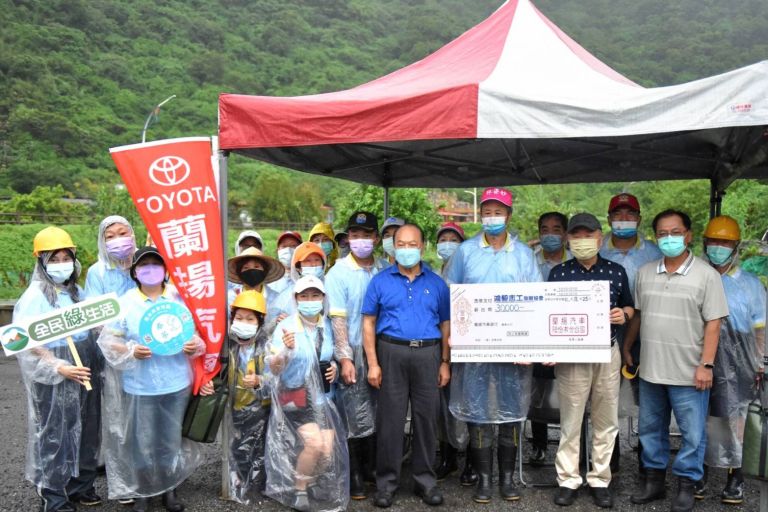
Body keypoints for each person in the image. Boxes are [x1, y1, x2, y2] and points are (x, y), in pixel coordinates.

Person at [444, 187, 542, 503]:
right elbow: (450, 294)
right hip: (475, 349)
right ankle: (484, 480)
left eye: (498, 212)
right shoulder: (466, 251)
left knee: (512, 411)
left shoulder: (524, 255)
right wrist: (452, 334)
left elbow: (538, 302)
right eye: (486, 211)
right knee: (478, 411)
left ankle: (508, 479)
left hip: (515, 351)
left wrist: (532, 346)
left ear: (509, 215)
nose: (492, 217)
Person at [628, 210, 729, 512]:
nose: (668, 238)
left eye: (675, 232)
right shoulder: (645, 272)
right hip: (651, 370)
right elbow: (639, 315)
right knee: (649, 429)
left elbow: (714, 323)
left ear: (688, 235)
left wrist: (706, 365)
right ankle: (654, 482)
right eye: (662, 233)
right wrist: (628, 347)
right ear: (655, 237)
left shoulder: (706, 275)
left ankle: (687, 484)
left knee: (692, 433)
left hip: (690, 373)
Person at [97, 247, 206, 512]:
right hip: (140, 386)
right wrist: (130, 350)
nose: (150, 270)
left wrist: (195, 345)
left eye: (155, 265)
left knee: (170, 440)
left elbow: (200, 335)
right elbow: (108, 340)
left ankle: (170, 491)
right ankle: (144, 493)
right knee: (142, 442)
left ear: (166, 270)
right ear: (134, 272)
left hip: (176, 382)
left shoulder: (180, 299)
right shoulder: (125, 303)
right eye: (143, 265)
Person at [547, 213, 634, 508]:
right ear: (568, 240)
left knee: (605, 419)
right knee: (570, 420)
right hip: (571, 355)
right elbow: (548, 317)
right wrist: (549, 349)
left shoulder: (616, 271)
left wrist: (624, 314)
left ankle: (600, 478)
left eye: (588, 234)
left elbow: (630, 307)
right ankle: (568, 479)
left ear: (599, 237)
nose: (582, 240)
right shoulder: (558, 273)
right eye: (576, 235)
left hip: (607, 350)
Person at [362, 223, 451, 508]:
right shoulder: (379, 281)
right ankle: (386, 484)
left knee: (426, 420)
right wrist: (373, 363)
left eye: (412, 244)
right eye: (401, 243)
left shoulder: (437, 284)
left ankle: (425, 481)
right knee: (390, 421)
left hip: (428, 354)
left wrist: (445, 362)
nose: (406, 249)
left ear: (422, 247)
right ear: (392, 246)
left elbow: (446, 324)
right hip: (391, 352)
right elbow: (368, 323)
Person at [14, 227, 102, 512]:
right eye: (55, 258)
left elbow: (94, 323)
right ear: (41, 260)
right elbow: (27, 342)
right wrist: (58, 366)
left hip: (85, 363)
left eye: (67, 256)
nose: (62, 263)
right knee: (55, 433)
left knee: (87, 427)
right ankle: (53, 496)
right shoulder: (35, 296)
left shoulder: (76, 292)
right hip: (56, 370)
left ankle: (81, 486)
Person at [698, 216, 766, 505]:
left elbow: (761, 327)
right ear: (704, 243)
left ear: (735, 246)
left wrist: (760, 362)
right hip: (699, 353)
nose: (718, 247)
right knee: (699, 418)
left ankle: (734, 478)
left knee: (735, 418)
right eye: (713, 241)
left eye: (724, 242)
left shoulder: (750, 285)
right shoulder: (697, 275)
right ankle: (697, 475)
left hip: (740, 357)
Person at [265, 275, 348, 512]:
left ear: (323, 298)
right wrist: (285, 352)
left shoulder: (330, 326)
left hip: (323, 397)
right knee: (314, 444)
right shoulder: (286, 327)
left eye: (315, 295)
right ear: (296, 299)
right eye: (304, 296)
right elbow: (273, 368)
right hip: (295, 396)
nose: (310, 300)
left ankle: (308, 479)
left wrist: (335, 368)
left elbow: (335, 356)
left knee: (328, 448)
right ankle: (300, 488)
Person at [325, 211, 387, 500]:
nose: (359, 241)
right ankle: (356, 474)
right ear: (347, 238)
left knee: (378, 410)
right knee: (353, 412)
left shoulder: (385, 268)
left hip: (383, 349)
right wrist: (345, 358)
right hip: (353, 348)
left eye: (365, 235)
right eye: (354, 235)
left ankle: (374, 468)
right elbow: (338, 319)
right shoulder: (338, 272)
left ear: (376, 237)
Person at [599, 193, 662, 473]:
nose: (623, 220)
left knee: (647, 400)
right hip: (604, 336)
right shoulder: (597, 250)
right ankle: (608, 460)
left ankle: (646, 462)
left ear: (639, 219)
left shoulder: (655, 253)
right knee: (605, 398)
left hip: (647, 337)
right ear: (609, 218)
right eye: (618, 215)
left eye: (630, 215)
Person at [200, 290, 271, 504]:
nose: (244, 323)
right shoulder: (227, 345)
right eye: (239, 318)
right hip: (235, 406)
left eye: (250, 319)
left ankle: (258, 486)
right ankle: (239, 480)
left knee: (260, 447)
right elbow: (216, 369)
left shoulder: (266, 345)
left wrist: (260, 381)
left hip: (261, 407)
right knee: (237, 445)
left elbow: (278, 377)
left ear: (260, 321)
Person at [432, 222, 475, 485]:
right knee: (442, 405)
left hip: (468, 348)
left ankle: (471, 460)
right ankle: (447, 458)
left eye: (454, 239)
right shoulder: (433, 275)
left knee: (469, 403)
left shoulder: (470, 272)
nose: (448, 243)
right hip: (439, 348)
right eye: (443, 239)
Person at [529, 212, 570, 465]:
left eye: (556, 229)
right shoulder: (529, 264)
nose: (550, 234)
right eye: (545, 229)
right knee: (538, 395)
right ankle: (539, 445)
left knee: (571, 396)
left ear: (565, 234)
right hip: (536, 340)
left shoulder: (576, 262)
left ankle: (571, 448)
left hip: (568, 339)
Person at [271, 242, 328, 321]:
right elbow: (272, 318)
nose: (313, 264)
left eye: (317, 260)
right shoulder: (288, 294)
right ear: (298, 267)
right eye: (307, 261)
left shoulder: (331, 286)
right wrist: (278, 321)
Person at [85, 215, 137, 298]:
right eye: (110, 236)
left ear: (132, 234)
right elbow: (93, 304)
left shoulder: (144, 262)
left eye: (122, 233)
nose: (118, 240)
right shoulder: (97, 271)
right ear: (103, 242)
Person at [226, 247, 285, 318]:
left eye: (256, 267)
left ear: (265, 271)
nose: (251, 271)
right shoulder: (231, 298)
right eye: (246, 268)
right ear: (239, 273)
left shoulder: (276, 298)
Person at [268, 231, 303, 297]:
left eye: (293, 246)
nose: (288, 250)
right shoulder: (270, 278)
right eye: (284, 246)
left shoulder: (306, 275)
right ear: (278, 250)